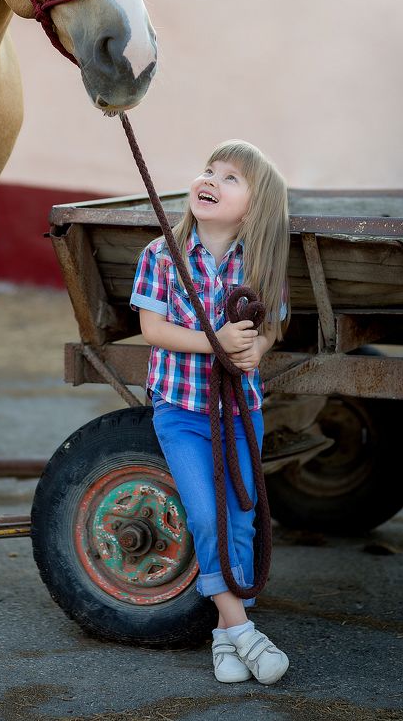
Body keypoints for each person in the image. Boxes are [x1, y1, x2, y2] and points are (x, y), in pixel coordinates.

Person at [130, 139, 290, 685]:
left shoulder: (259, 262)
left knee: (241, 518)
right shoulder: (161, 254)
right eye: (209, 171)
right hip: (182, 412)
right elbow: (152, 330)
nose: (212, 180)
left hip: (240, 413)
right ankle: (244, 629)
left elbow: (272, 325)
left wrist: (256, 350)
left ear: (254, 205)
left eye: (231, 178)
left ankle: (224, 638)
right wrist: (217, 341)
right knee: (205, 516)